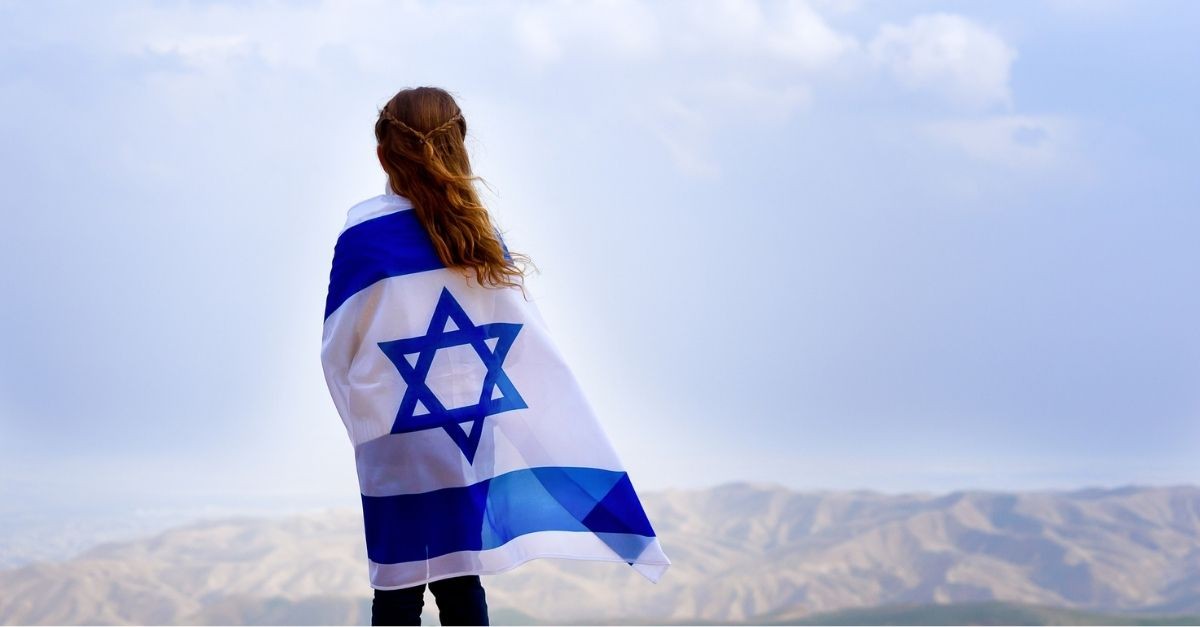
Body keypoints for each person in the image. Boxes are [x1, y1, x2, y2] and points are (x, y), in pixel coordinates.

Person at [321, 86, 670, 627]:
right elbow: (522, 341)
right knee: (462, 579)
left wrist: (364, 426)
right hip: (467, 428)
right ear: (460, 145)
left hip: (396, 433)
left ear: (383, 153)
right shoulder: (477, 233)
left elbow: (337, 351)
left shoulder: (362, 237)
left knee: (398, 584)